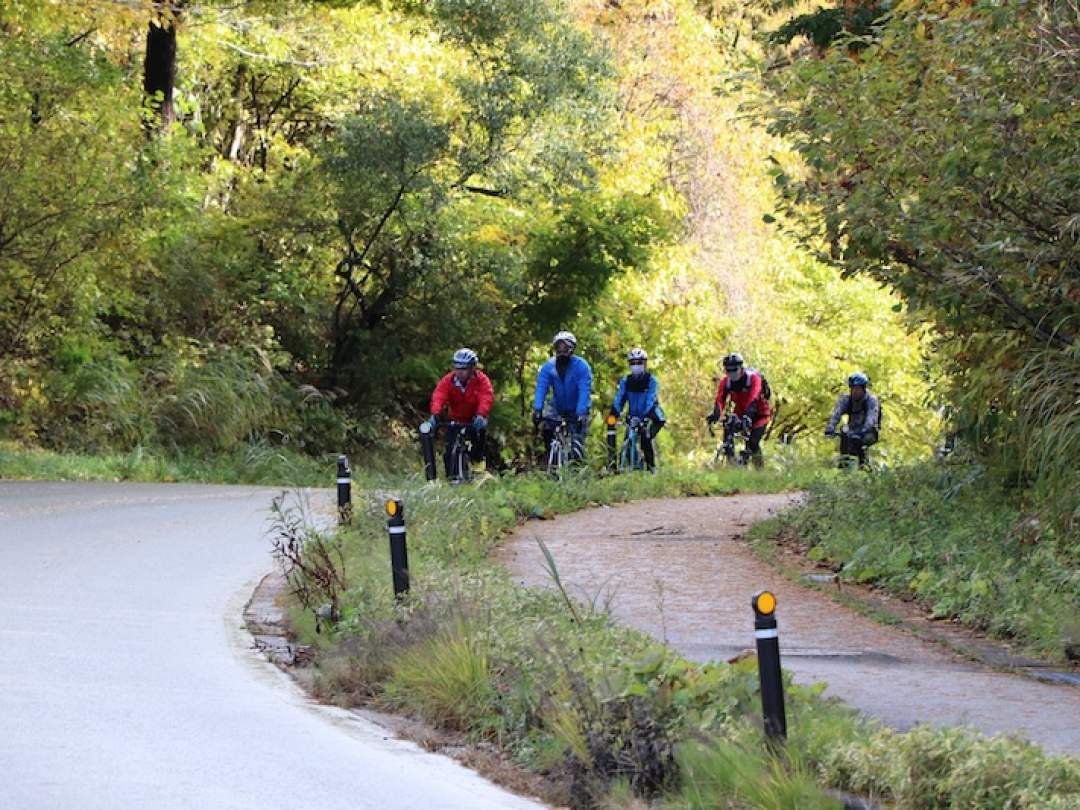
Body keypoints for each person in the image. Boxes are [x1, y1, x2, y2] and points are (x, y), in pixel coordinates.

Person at [428, 348, 494, 479]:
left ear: (472, 368)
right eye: (457, 368)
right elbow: (439, 395)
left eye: (464, 369)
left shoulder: (481, 380)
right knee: (449, 448)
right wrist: (435, 413)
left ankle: (478, 470)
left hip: (475, 418)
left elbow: (486, 397)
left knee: (479, 439)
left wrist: (481, 414)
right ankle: (451, 477)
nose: (460, 372)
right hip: (457, 418)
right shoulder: (449, 380)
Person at [533, 331, 592, 461]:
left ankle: (577, 468)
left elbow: (584, 390)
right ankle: (551, 458)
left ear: (571, 348)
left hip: (577, 407)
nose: (561, 350)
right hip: (558, 406)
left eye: (564, 347)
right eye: (558, 347)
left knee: (577, 443)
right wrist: (537, 409)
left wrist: (581, 412)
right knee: (547, 428)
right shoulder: (549, 367)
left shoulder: (582, 366)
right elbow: (541, 387)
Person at [705, 352, 771, 466]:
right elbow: (720, 400)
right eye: (728, 371)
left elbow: (753, 398)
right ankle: (732, 465)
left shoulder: (753, 378)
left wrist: (747, 417)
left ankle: (760, 471)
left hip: (760, 414)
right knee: (728, 431)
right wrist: (716, 414)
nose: (731, 373)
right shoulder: (725, 382)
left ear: (741, 368)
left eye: (734, 370)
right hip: (740, 412)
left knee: (753, 443)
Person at [609, 347, 666, 471]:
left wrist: (645, 417)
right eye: (633, 363)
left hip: (652, 416)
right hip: (633, 416)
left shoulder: (651, 381)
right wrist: (614, 412)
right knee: (628, 441)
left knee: (645, 437)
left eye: (639, 363)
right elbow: (620, 398)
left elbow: (650, 400)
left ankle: (651, 468)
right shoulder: (626, 381)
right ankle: (626, 466)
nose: (636, 365)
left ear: (645, 364)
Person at [825, 371, 880, 467]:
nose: (855, 391)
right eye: (853, 388)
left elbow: (871, 418)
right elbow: (836, 414)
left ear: (863, 389)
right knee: (844, 433)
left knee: (859, 442)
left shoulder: (871, 400)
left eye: (858, 388)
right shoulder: (846, 399)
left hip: (868, 432)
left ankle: (864, 465)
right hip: (852, 429)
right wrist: (830, 427)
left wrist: (863, 430)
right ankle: (843, 465)